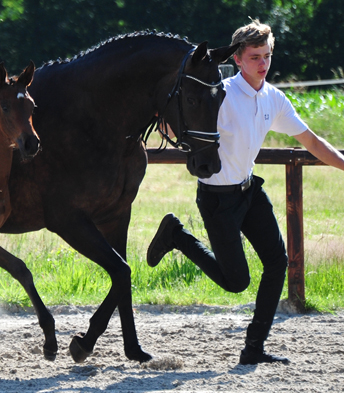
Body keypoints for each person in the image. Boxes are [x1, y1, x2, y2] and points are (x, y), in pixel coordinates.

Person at [146, 19, 344, 365]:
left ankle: (253, 349)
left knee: (277, 262)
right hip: (216, 198)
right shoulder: (218, 95)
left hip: (249, 193)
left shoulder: (274, 98)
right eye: (254, 57)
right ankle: (177, 236)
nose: (263, 63)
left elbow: (311, 141)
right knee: (236, 282)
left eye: (266, 56)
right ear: (237, 59)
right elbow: (175, 120)